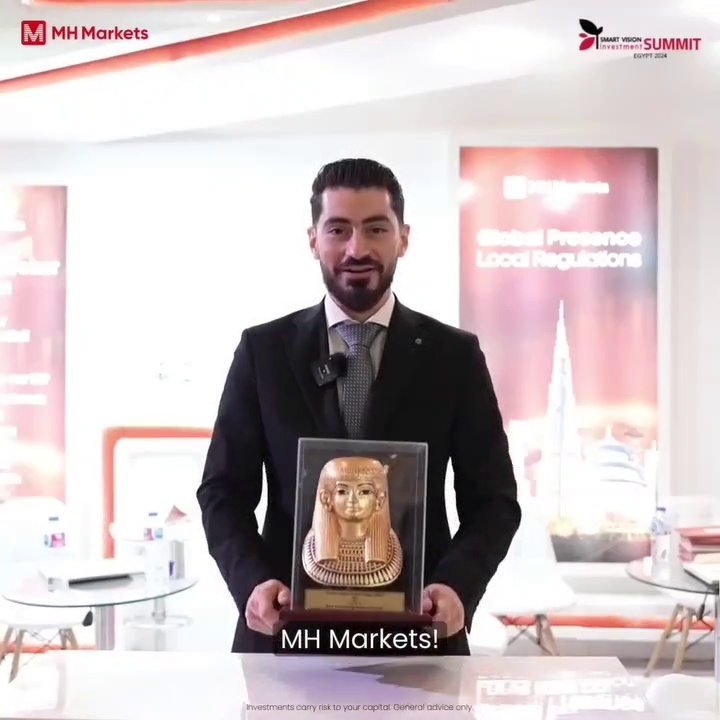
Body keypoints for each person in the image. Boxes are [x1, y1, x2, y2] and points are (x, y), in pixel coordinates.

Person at [197, 158, 520, 654]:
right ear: (313, 240)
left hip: (418, 633)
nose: (357, 249)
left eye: (376, 229)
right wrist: (252, 582)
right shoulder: (263, 352)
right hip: (286, 633)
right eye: (338, 229)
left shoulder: (453, 356)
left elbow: (494, 500)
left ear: (403, 238)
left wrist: (457, 586)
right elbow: (222, 492)